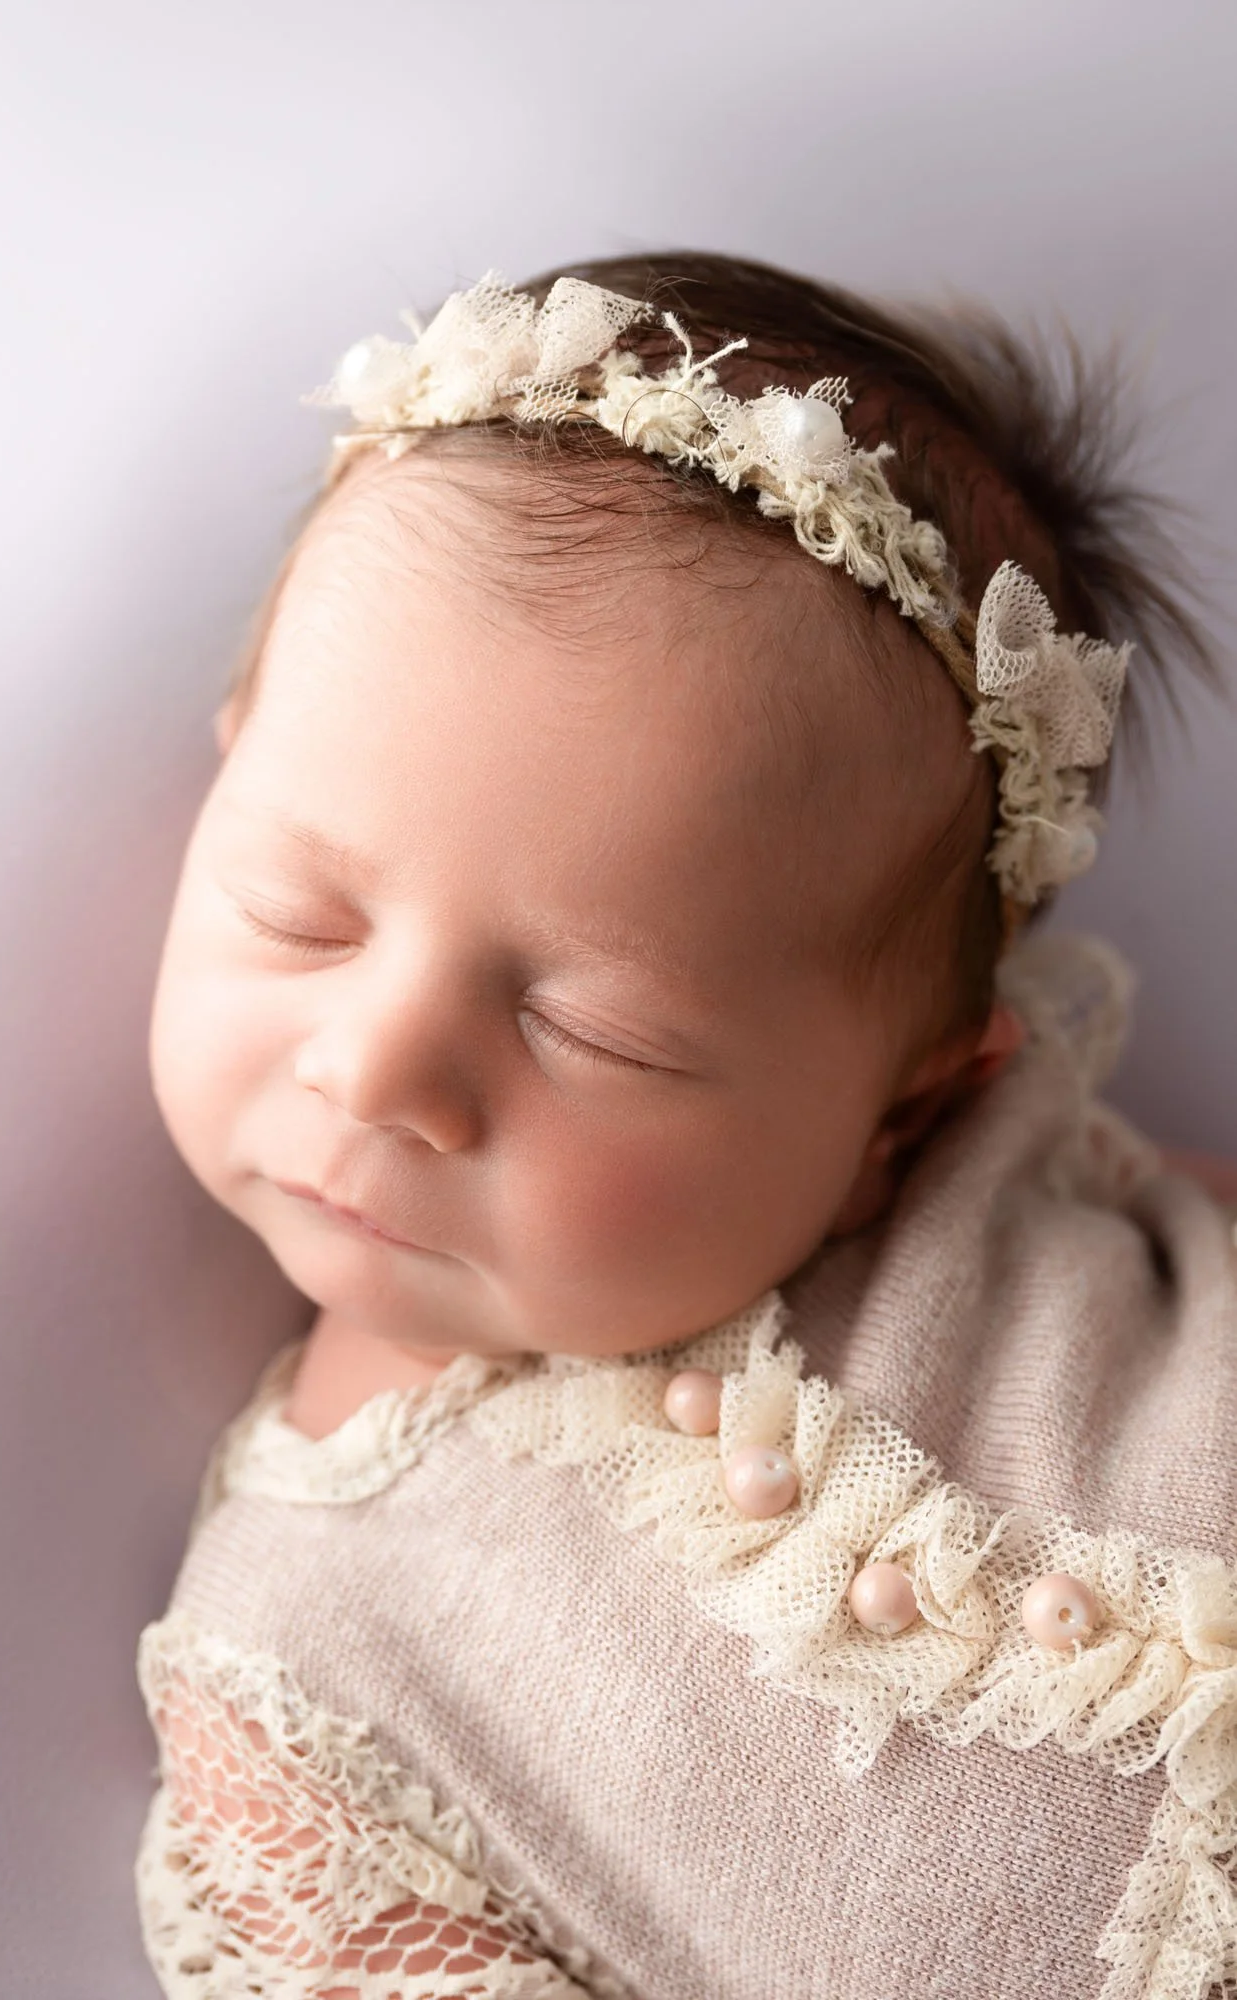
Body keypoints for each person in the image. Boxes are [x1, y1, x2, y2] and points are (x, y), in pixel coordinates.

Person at [134, 252, 1237, 1999]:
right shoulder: (310, 1667)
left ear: (906, 1101)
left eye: (590, 1026)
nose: (377, 1071)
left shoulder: (1012, 1169)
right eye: (297, 914)